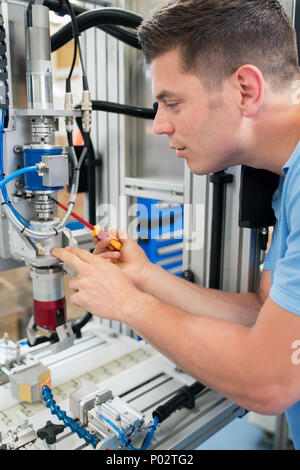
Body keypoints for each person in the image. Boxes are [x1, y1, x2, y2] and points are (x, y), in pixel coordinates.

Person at [53, 0, 300, 449]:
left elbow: (269, 382)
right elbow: (263, 314)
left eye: (172, 102)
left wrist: (128, 305)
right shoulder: (288, 184)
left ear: (245, 89)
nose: (159, 126)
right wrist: (144, 277)